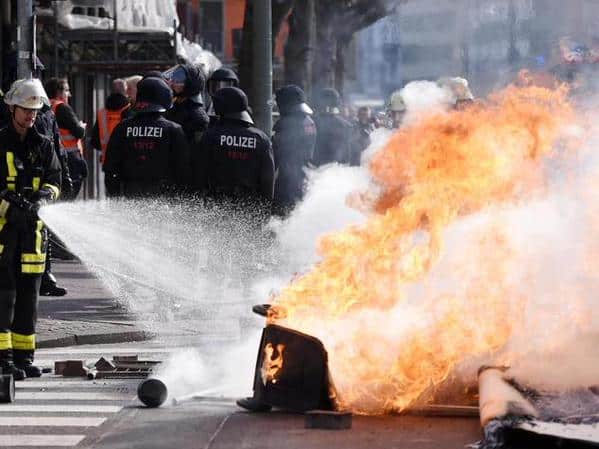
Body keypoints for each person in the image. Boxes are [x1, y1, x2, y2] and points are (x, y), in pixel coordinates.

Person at [0, 79, 62, 379]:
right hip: (4, 236)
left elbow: (55, 179)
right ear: (12, 108)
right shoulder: (0, 143)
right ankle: (3, 359)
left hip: (33, 238)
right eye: (26, 110)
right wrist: (11, 208)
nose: (31, 116)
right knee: (4, 299)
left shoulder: (43, 144)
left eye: (35, 111)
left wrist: (43, 197)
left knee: (28, 299)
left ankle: (24, 358)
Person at [103, 77, 190, 198]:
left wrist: (117, 200)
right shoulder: (173, 130)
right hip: (163, 201)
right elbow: (183, 171)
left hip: (129, 198)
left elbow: (110, 169)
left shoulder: (122, 128)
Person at [193, 86, 274, 204]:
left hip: (216, 206)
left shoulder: (211, 136)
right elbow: (267, 182)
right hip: (250, 209)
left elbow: (200, 174)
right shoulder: (262, 139)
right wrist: (264, 214)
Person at [272, 85, 316, 215]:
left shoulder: (287, 124)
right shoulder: (309, 121)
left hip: (287, 185)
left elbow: (275, 156)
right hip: (305, 179)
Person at [45, 77, 87, 198]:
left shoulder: (44, 106)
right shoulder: (62, 108)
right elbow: (79, 132)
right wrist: (81, 127)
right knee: (69, 195)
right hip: (70, 158)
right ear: (59, 92)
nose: (69, 94)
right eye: (67, 90)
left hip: (53, 158)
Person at [163, 63, 209, 146]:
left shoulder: (198, 117)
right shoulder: (172, 107)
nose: (171, 82)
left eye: (178, 78)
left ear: (190, 84)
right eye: (172, 77)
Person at [90, 79, 131, 168]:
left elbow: (95, 142)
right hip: (127, 162)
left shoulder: (102, 113)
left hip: (108, 162)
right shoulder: (131, 111)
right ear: (125, 90)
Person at [312, 88, 353, 166]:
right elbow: (347, 157)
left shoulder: (312, 123)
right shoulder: (346, 125)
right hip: (336, 170)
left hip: (314, 169)